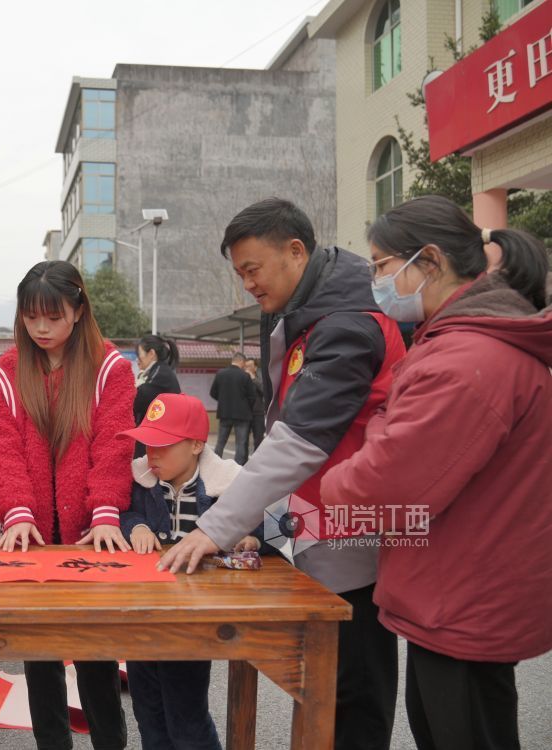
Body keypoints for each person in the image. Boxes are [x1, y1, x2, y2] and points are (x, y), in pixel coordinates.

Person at [159, 198, 407, 750]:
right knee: (325, 691)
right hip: (318, 520)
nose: (247, 283)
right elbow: (283, 432)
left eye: (253, 269)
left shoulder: (346, 323)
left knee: (351, 695)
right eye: (240, 273)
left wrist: (213, 528)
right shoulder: (306, 313)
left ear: (296, 251)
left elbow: (299, 442)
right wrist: (263, 525)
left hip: (354, 531)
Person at [321, 195, 552, 750]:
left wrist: (337, 477)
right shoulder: (460, 343)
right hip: (460, 588)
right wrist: (385, 425)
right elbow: (393, 427)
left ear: (429, 260)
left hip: (462, 602)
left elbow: (379, 487)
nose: (376, 281)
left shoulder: (466, 361)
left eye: (381, 265)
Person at [0, 260, 135, 750]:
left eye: (53, 316)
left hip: (89, 531)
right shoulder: (5, 374)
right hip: (30, 533)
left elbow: (114, 443)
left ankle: (110, 742)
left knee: (96, 655)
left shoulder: (109, 367)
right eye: (31, 317)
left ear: (79, 310)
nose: (41, 328)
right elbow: (2, 450)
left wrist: (106, 511)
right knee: (39, 654)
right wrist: (17, 512)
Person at [118, 393, 256, 750]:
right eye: (147, 444)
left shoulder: (227, 484)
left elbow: (269, 523)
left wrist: (249, 538)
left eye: (163, 445)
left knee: (186, 716)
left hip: (192, 618)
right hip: (143, 613)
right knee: (148, 712)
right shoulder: (141, 479)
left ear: (196, 445)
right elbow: (122, 511)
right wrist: (136, 526)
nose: (152, 454)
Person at [133, 334, 182, 458]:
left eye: (139, 354)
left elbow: (137, 400)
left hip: (159, 440)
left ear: (151, 353)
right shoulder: (157, 371)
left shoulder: (160, 374)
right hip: (158, 437)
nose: (137, 360)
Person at [208, 352, 255, 464]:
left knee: (220, 442)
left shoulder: (220, 373)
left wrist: (223, 402)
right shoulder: (245, 376)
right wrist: (246, 406)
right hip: (242, 415)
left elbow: (213, 392)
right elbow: (252, 396)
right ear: (241, 362)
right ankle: (237, 467)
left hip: (224, 413)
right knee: (240, 444)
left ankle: (215, 464)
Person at [242, 358, 266, 454]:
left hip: (258, 412)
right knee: (243, 440)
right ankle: (243, 460)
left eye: (250, 366)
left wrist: (253, 378)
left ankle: (257, 458)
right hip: (245, 413)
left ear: (255, 367)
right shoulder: (242, 377)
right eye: (246, 366)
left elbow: (264, 390)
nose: (247, 368)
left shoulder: (260, 377)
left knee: (258, 438)